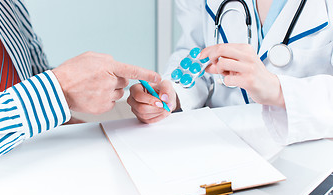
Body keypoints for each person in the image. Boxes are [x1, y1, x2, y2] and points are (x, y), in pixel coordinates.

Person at [0, 0, 160, 172]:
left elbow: (34, 76)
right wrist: (59, 89)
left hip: (43, 169)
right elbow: (47, 92)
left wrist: (74, 104)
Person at [128, 0, 333, 145]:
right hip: (221, 142)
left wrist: (278, 91)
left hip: (308, 148)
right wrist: (174, 93)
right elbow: (196, 49)